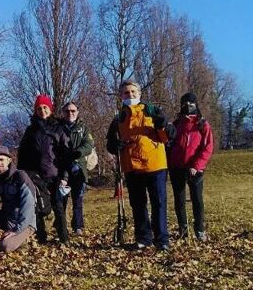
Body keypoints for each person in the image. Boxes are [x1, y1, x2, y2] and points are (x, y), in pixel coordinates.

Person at [105, 80, 173, 251]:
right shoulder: (118, 118)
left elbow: (167, 138)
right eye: (126, 92)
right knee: (137, 204)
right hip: (131, 166)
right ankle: (143, 238)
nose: (130, 95)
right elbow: (110, 143)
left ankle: (162, 240)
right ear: (121, 96)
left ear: (139, 93)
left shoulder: (152, 111)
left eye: (133, 92)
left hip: (154, 164)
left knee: (158, 203)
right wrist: (115, 145)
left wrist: (162, 124)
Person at [18, 94, 70, 245]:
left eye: (45, 107)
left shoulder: (59, 128)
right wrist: (22, 174)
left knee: (58, 207)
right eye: (39, 108)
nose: (42, 111)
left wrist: (64, 176)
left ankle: (64, 237)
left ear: (50, 109)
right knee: (38, 207)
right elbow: (23, 153)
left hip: (54, 174)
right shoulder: (30, 130)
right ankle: (41, 237)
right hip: (35, 175)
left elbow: (65, 154)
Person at [167, 92, 214, 241]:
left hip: (195, 169)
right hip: (176, 167)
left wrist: (197, 165)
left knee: (197, 200)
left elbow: (208, 147)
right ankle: (183, 230)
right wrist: (169, 163)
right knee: (179, 200)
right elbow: (168, 145)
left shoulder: (202, 124)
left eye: (191, 103)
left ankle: (200, 230)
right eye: (185, 103)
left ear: (196, 105)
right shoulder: (176, 125)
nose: (188, 106)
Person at [58, 102, 95, 236]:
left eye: (73, 111)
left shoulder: (83, 128)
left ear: (77, 112)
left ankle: (78, 226)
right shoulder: (58, 127)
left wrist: (78, 152)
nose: (70, 113)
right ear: (63, 112)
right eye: (67, 111)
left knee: (77, 200)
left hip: (78, 168)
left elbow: (89, 144)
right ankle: (61, 227)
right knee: (61, 200)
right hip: (61, 169)